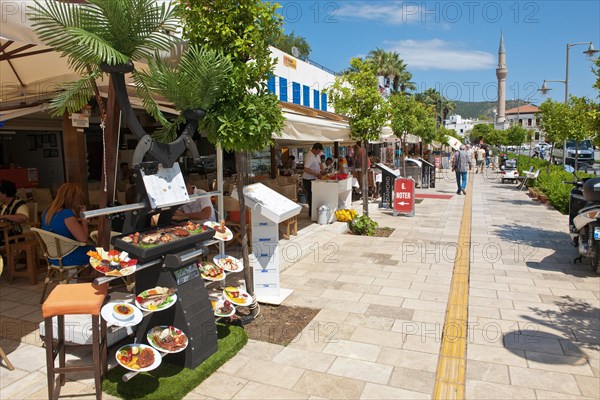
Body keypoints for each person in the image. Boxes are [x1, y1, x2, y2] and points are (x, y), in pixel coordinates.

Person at [41, 183, 94, 266]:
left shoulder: (48, 212)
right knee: (101, 251)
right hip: (68, 257)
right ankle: (91, 277)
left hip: (53, 257)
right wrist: (84, 219)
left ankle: (77, 277)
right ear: (73, 198)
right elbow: (83, 239)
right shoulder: (66, 214)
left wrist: (75, 220)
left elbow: (60, 223)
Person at [302, 142, 324, 217]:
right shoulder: (310, 157)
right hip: (308, 179)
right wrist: (316, 174)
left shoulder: (316, 155)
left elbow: (320, 163)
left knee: (315, 195)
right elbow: (306, 169)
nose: (319, 153)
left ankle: (314, 212)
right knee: (311, 196)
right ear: (314, 149)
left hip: (314, 178)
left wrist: (323, 170)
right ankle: (311, 213)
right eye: (318, 151)